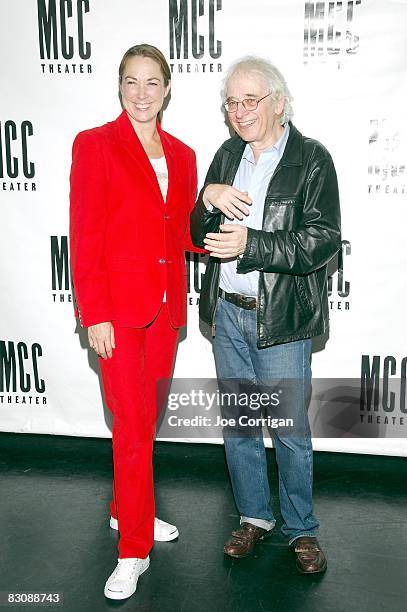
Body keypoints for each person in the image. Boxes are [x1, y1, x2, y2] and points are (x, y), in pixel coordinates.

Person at [191, 56, 341, 574]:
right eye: (231, 102)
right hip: (227, 317)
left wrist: (251, 244)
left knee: (289, 429)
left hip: (280, 323)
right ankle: (254, 517)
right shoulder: (227, 154)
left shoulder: (312, 159)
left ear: (279, 101)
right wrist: (207, 197)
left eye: (250, 100)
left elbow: (321, 241)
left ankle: (302, 528)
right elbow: (195, 233)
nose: (239, 111)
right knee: (239, 426)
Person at [69, 43, 204, 600]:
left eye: (152, 83)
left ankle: (128, 510)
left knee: (142, 422)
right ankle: (133, 549)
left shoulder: (183, 152)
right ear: (119, 87)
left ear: (167, 88)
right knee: (130, 423)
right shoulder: (96, 145)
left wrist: (212, 199)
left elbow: (187, 235)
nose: (142, 93)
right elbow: (85, 235)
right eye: (132, 82)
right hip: (118, 315)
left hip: (165, 311)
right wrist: (93, 313)